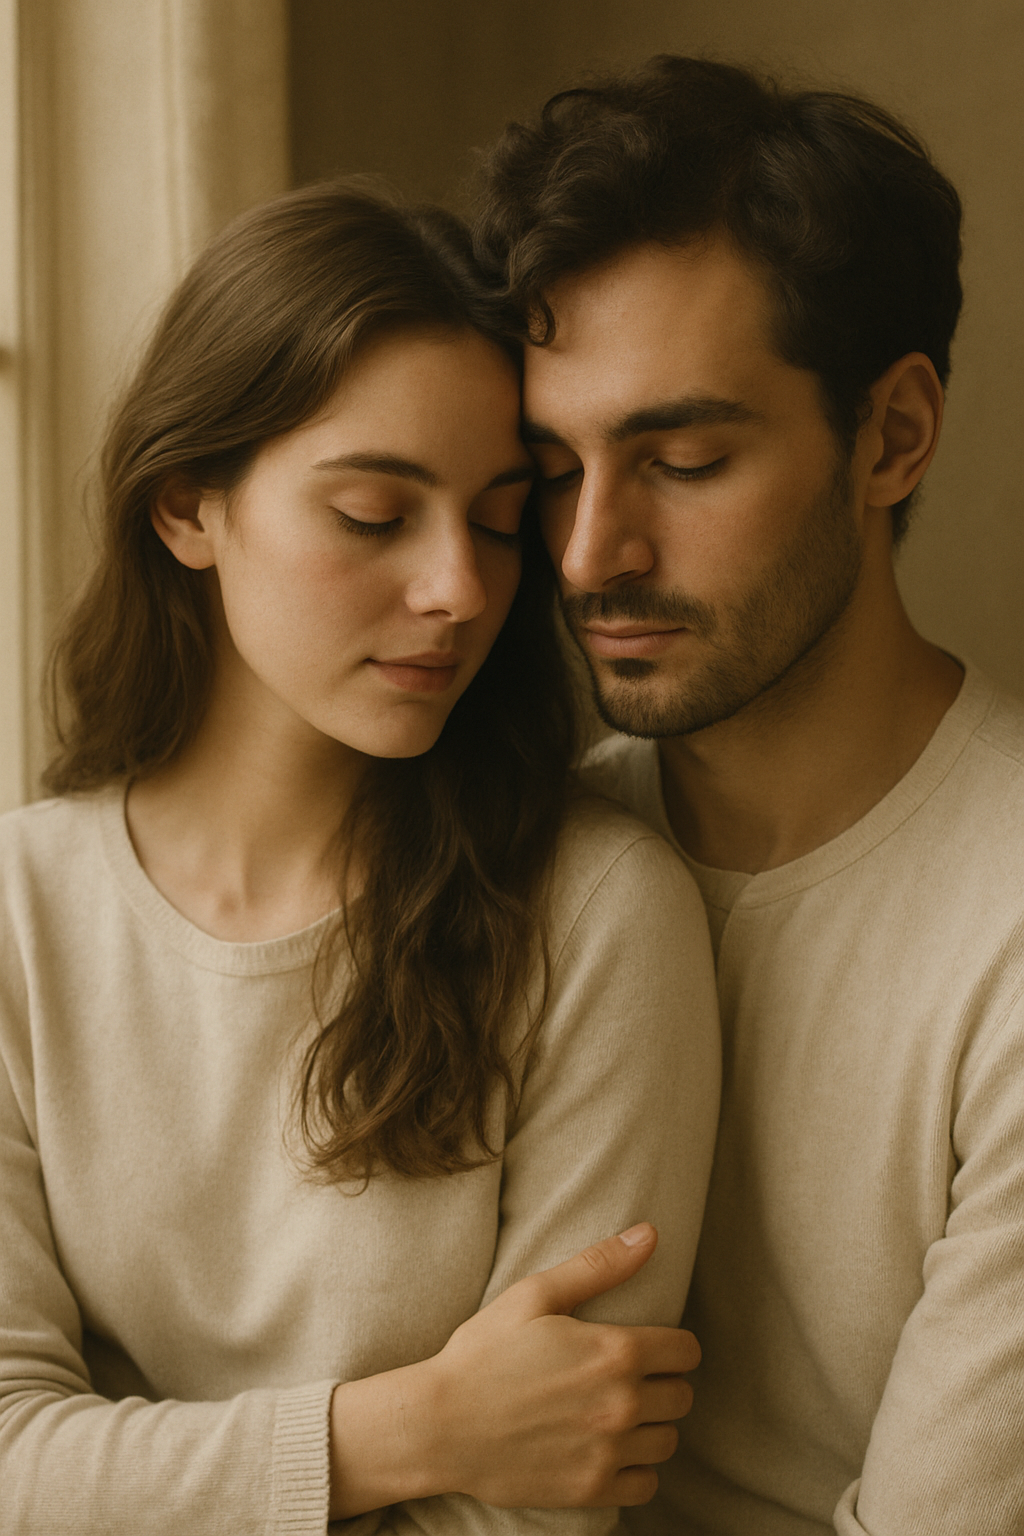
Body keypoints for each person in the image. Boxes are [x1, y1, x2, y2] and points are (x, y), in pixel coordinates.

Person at [0, 181, 722, 1535]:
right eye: (376, 514)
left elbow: (543, 1501)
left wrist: (137, 1474)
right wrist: (408, 1430)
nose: (461, 587)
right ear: (185, 508)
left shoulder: (600, 914)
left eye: (500, 518)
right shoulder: (20, 914)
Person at [473, 54, 1024, 1536]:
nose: (588, 555)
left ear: (892, 437)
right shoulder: (512, 861)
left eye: (686, 459)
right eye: (551, 468)